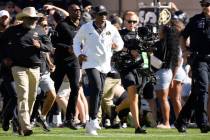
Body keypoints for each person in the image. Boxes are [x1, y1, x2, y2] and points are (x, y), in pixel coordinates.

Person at [0, 7, 53, 136]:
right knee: (22, 94)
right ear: (24, 18)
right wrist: (4, 58)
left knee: (32, 96)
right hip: (18, 67)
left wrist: (40, 46)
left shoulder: (40, 30)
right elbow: (0, 45)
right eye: (30, 18)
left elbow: (50, 47)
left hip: (35, 68)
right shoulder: (12, 31)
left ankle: (21, 122)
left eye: (34, 18)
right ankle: (26, 126)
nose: (33, 20)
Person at [73, 5, 124, 135]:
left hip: (105, 64)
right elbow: (76, 41)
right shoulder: (86, 27)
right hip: (90, 62)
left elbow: (120, 43)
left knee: (100, 91)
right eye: (100, 14)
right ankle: (94, 119)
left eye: (105, 14)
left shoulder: (111, 28)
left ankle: (90, 123)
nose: (103, 16)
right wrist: (79, 54)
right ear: (94, 15)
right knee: (96, 86)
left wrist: (116, 46)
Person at [175, 0, 210, 133]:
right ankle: (203, 122)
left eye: (208, 4)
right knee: (202, 88)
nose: (205, 7)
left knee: (196, 93)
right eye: (203, 4)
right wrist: (184, 52)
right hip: (199, 59)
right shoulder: (195, 20)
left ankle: (181, 121)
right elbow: (183, 36)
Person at [114, 10, 147, 134]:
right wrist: (129, 51)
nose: (132, 24)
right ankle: (137, 126)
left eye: (134, 21)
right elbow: (115, 47)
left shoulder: (141, 33)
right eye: (129, 21)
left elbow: (145, 52)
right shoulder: (119, 33)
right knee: (133, 95)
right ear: (124, 21)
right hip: (125, 68)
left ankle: (116, 109)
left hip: (139, 68)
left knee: (135, 97)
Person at [51, 3, 81, 130]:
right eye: (74, 10)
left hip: (74, 62)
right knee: (53, 89)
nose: (77, 12)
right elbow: (54, 42)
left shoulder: (82, 26)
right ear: (69, 11)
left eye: (79, 10)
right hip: (61, 61)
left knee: (75, 88)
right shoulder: (62, 25)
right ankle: (40, 116)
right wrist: (67, 47)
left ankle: (70, 118)